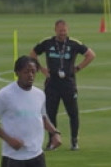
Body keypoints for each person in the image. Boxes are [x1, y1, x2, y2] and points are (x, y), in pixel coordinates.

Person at [29, 19, 96, 151]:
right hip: (52, 83)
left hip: (68, 83)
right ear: (55, 30)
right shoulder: (47, 42)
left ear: (68, 30)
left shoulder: (74, 43)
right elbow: (32, 53)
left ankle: (74, 140)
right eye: (60, 31)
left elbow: (91, 55)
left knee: (73, 113)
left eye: (64, 31)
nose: (62, 33)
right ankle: (52, 141)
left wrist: (77, 68)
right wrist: (41, 68)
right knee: (50, 113)